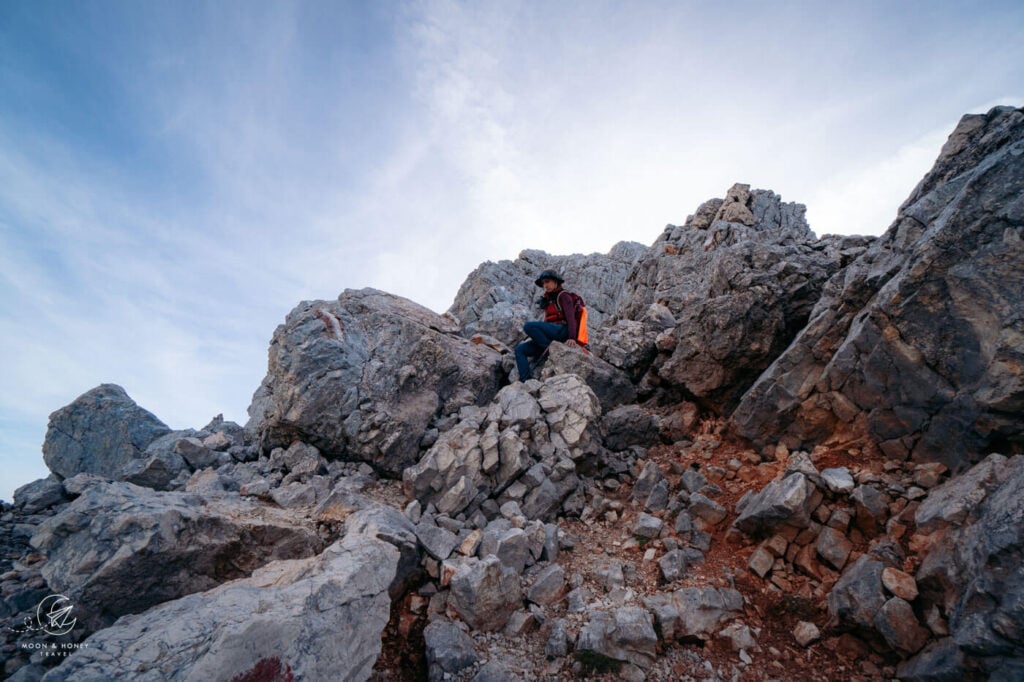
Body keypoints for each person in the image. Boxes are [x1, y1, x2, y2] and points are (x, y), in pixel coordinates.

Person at [514, 270, 583, 381]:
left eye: (547, 282)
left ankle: (550, 350)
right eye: (543, 283)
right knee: (519, 350)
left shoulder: (564, 296)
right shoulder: (548, 299)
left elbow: (571, 318)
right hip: (550, 336)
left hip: (562, 331)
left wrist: (572, 337)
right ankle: (525, 382)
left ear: (556, 282)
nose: (545, 285)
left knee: (529, 326)